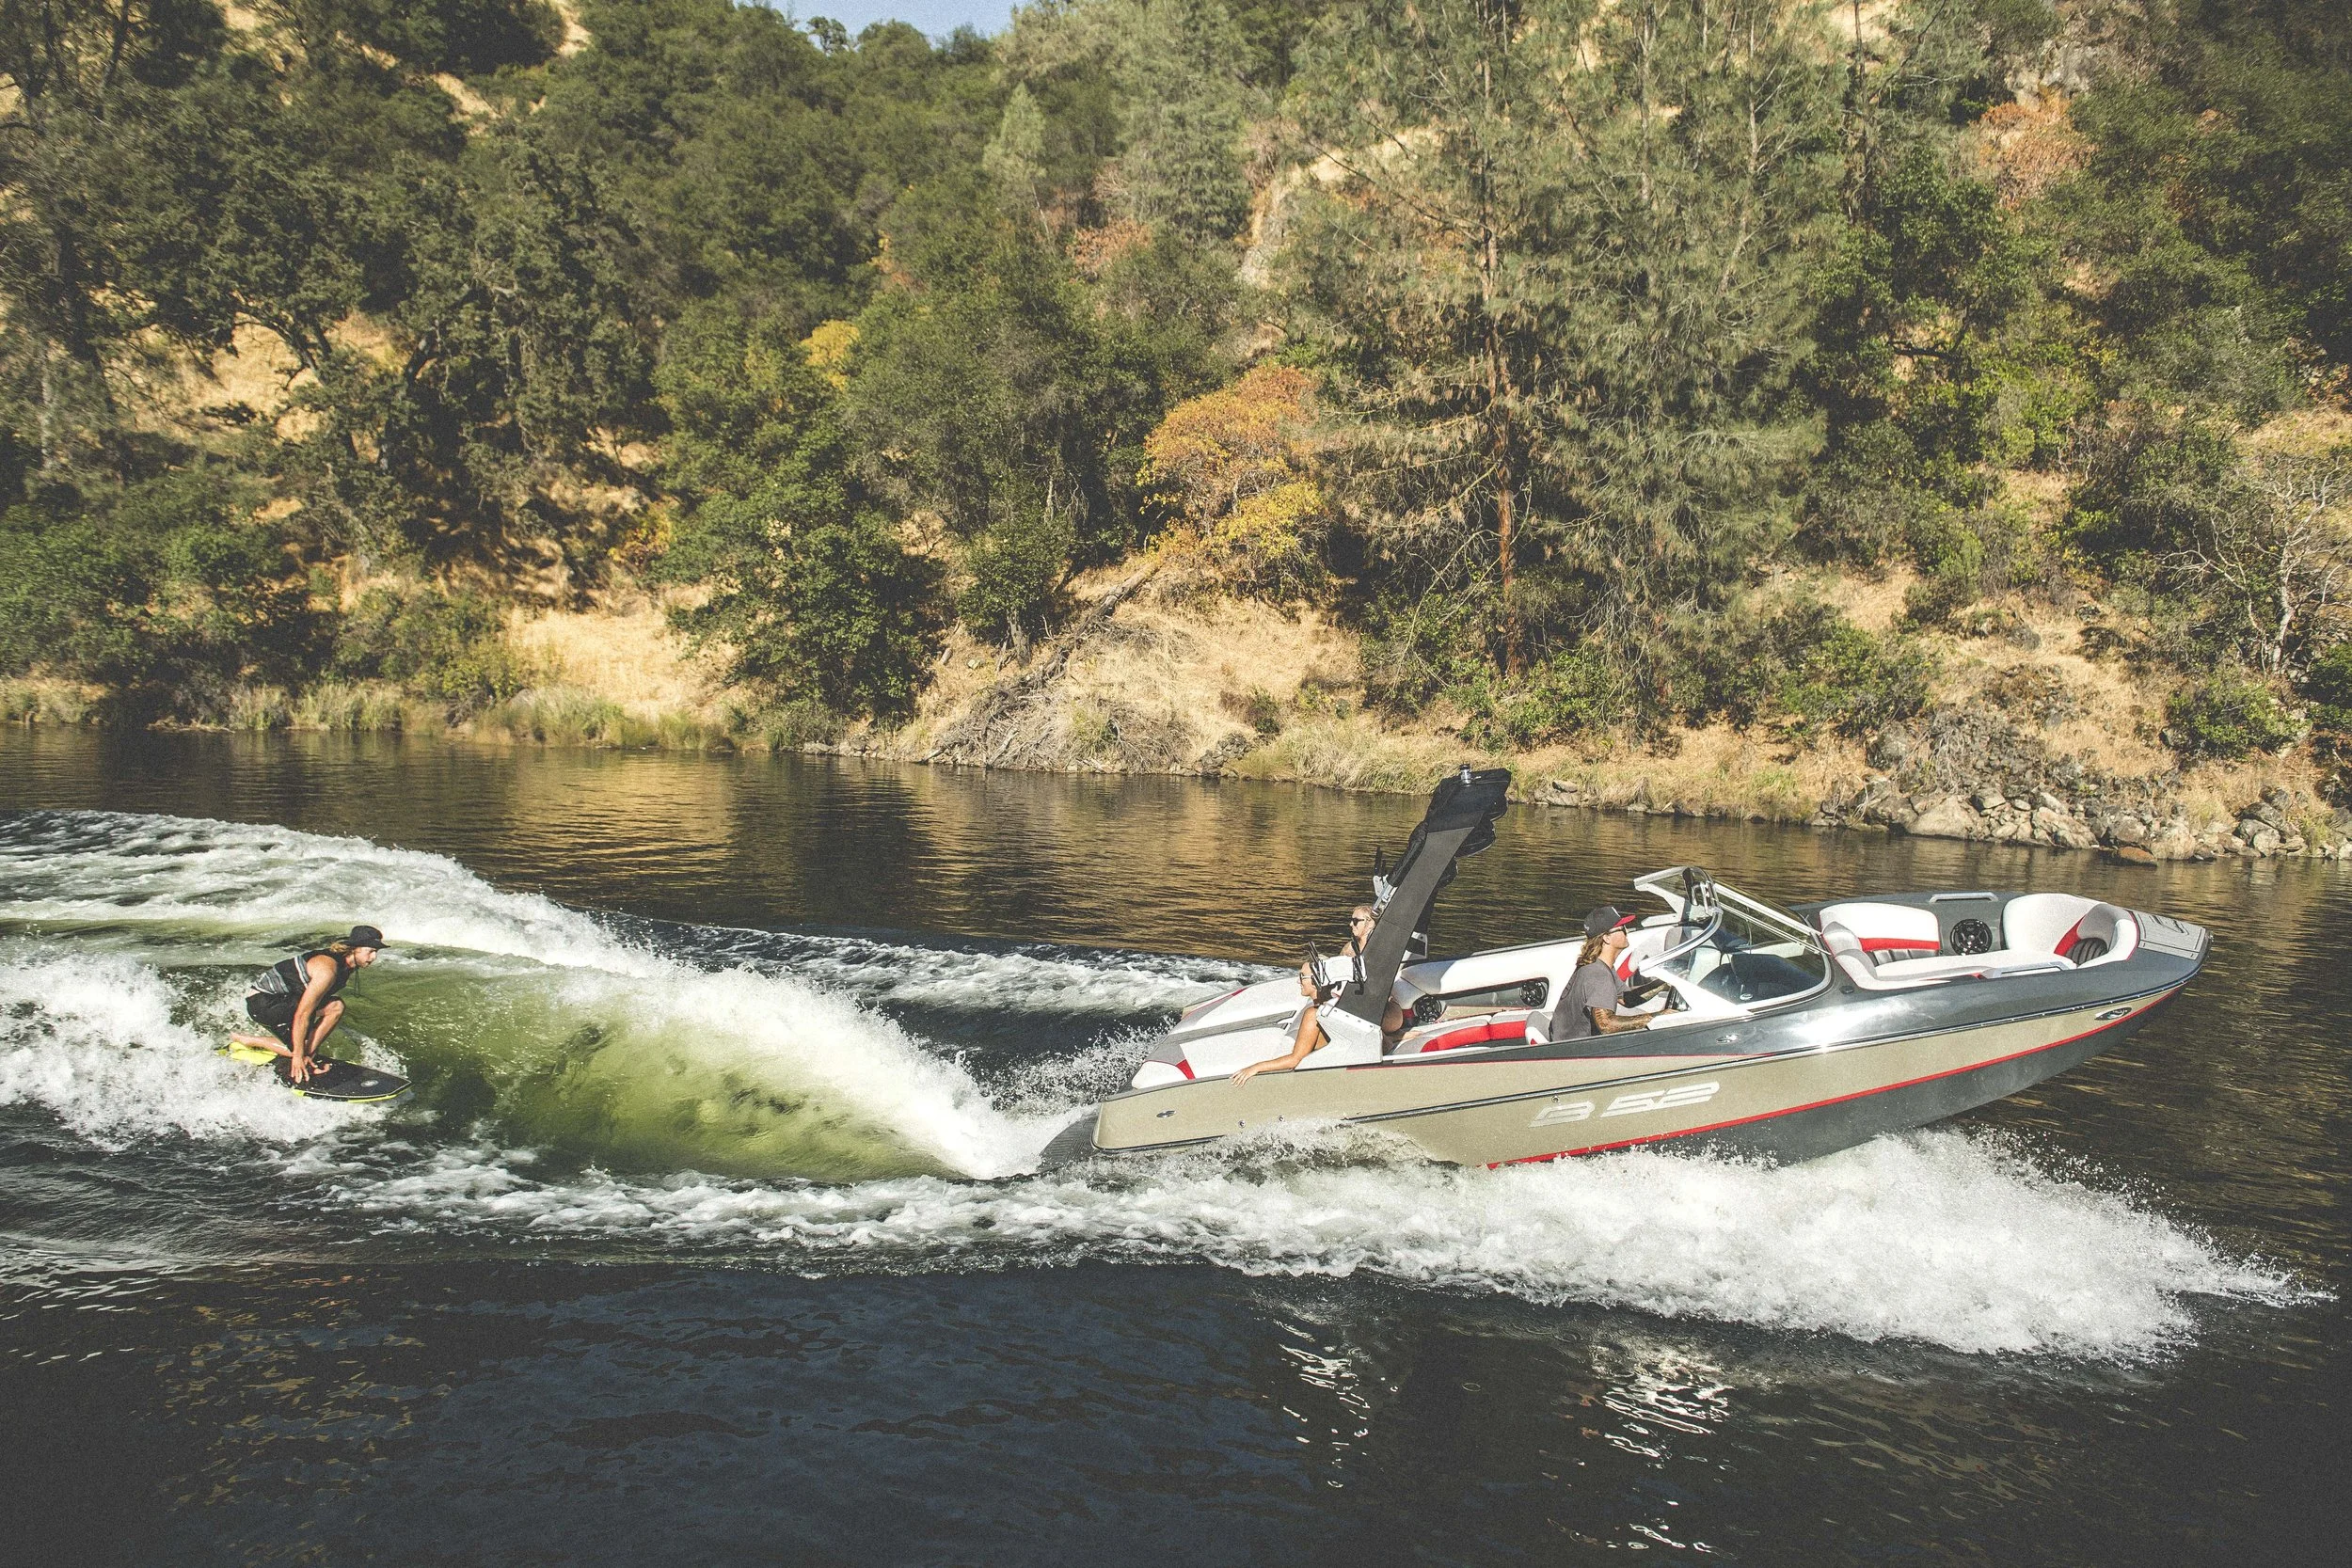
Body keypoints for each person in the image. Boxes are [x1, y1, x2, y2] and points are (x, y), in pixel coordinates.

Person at [1233, 904, 1406, 1085]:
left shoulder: (1381, 953)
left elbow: (1377, 988)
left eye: (1356, 921)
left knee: (1353, 1017)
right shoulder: (1350, 949)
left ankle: (1390, 1038)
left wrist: (1256, 1067)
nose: (1351, 924)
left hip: (1384, 1008)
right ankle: (1389, 1038)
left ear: (1370, 924)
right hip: (1360, 1004)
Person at [229, 926, 389, 1085]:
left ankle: (298, 1052)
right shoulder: (327, 969)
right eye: (370, 951)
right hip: (264, 1003)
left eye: (376, 952)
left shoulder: (346, 964)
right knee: (334, 1008)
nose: (373, 957)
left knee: (320, 1026)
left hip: (282, 1000)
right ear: (354, 949)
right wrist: (299, 1056)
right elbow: (302, 1014)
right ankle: (291, 1053)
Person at [1543, 906, 1652, 1043]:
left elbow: (1627, 999)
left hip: (1565, 1041)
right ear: (1606, 938)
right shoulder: (1598, 975)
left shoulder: (1599, 965)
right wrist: (1655, 1018)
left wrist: (1664, 985)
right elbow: (1606, 1025)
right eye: (1622, 928)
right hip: (1576, 1051)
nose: (1627, 931)